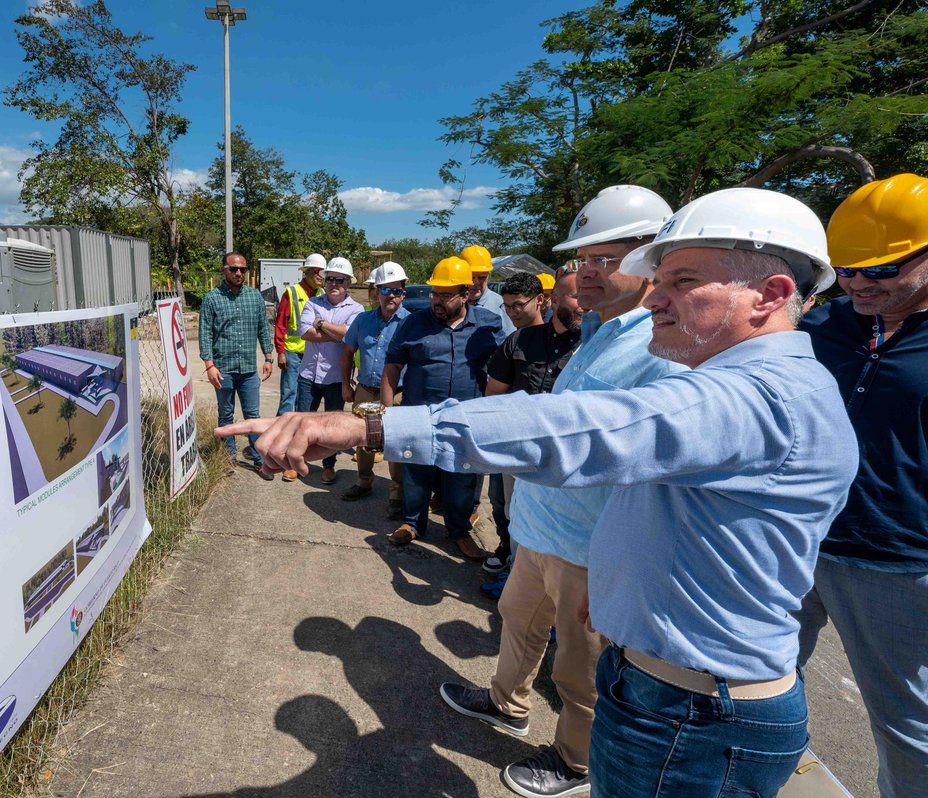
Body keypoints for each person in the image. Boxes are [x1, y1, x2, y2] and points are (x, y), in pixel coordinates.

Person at [219, 187, 855, 798]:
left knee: (577, 687)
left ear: (771, 294)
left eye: (682, 281)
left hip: (694, 712)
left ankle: (566, 756)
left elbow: (576, 429)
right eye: (656, 278)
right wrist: (613, 578)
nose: (657, 297)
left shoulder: (759, 397)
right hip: (670, 683)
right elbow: (652, 493)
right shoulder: (712, 371)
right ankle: (508, 702)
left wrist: (368, 424)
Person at [444, 185, 684, 797]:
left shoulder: (664, 345)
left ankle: (576, 761)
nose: (588, 273)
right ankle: (506, 700)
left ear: (653, 257)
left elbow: (647, 463)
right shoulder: (605, 328)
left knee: (580, 668)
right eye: (582, 260)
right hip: (543, 528)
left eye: (607, 258)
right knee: (517, 619)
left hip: (593, 543)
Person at [796, 173, 928, 798]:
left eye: (880, 271)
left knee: (907, 727)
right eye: (845, 270)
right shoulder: (826, 326)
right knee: (751, 675)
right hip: (796, 535)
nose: (857, 285)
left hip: (897, 562)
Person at [380, 256, 501, 561]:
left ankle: (458, 531)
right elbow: (393, 366)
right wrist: (386, 414)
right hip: (418, 415)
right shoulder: (413, 323)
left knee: (461, 479)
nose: (438, 300)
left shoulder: (487, 324)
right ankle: (412, 524)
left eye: (446, 295)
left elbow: (504, 368)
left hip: (465, 418)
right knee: (416, 474)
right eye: (435, 293)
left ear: (466, 293)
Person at [479, 269, 582, 575]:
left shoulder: (590, 346)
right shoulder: (519, 341)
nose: (511, 312)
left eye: (517, 306)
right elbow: (493, 393)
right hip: (517, 447)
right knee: (505, 505)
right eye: (507, 307)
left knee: (553, 518)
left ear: (541, 300)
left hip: (563, 452)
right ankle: (512, 561)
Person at [340, 261, 410, 515]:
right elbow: (348, 352)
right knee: (362, 439)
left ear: (404, 293)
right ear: (376, 292)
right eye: (385, 290)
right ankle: (364, 481)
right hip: (365, 390)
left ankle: (397, 494)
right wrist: (346, 383)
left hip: (399, 394)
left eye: (396, 290)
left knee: (395, 444)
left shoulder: (411, 323)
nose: (390, 296)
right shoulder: (363, 320)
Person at [199, 252, 274, 478]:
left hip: (249, 369)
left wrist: (268, 357)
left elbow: (263, 328)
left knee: (253, 416)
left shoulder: (254, 297)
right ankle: (228, 459)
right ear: (224, 270)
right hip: (223, 369)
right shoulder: (212, 299)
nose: (239, 273)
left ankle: (260, 460)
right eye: (234, 269)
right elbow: (205, 334)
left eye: (242, 269)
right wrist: (210, 365)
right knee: (226, 415)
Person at [296, 256, 364, 485]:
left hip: (336, 378)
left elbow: (350, 336)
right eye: (331, 279)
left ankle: (328, 466)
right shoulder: (313, 303)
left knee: (332, 427)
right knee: (302, 419)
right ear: (324, 281)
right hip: (308, 375)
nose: (335, 283)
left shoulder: (357, 309)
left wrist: (321, 324)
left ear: (348, 283)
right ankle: (297, 461)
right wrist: (338, 334)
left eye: (340, 280)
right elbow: (304, 333)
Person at [274, 255, 325, 426]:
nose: (321, 276)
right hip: (293, 353)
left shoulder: (322, 293)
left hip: (312, 355)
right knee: (289, 395)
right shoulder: (292, 293)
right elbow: (280, 324)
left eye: (324, 272)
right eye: (318, 271)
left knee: (305, 398)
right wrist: (280, 352)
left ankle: (297, 431)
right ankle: (281, 433)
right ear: (308, 272)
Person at [461, 244, 515, 338]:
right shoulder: (452, 303)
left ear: (489, 275)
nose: (476, 282)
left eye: (482, 277)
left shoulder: (501, 305)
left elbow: (510, 341)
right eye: (471, 277)